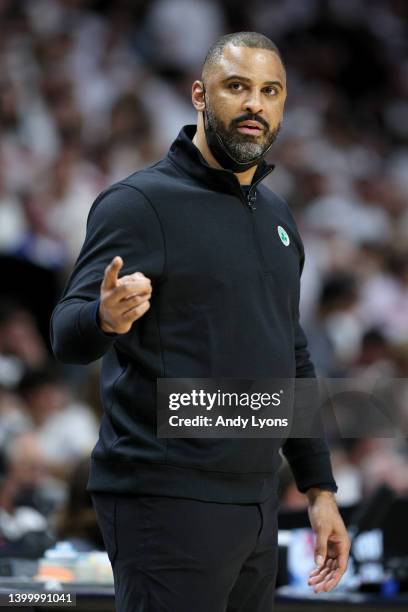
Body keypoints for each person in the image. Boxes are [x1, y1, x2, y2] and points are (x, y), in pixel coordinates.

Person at [51, 32, 350, 612]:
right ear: (199, 95)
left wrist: (319, 488)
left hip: (257, 501)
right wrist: (104, 317)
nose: (254, 105)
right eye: (236, 87)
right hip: (164, 499)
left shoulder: (278, 217)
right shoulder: (139, 203)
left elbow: (292, 354)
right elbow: (66, 332)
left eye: (270, 91)